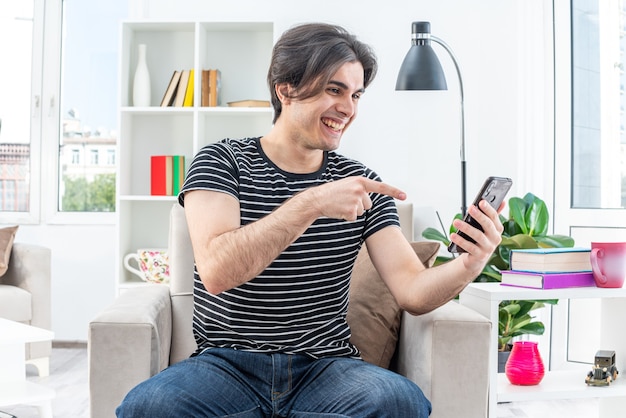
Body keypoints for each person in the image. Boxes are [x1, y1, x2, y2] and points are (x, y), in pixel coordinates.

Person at [116, 22, 503, 418]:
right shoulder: (221, 161)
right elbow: (217, 271)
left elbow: (412, 290)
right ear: (286, 88)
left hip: (326, 369)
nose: (349, 109)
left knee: (401, 401)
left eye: (355, 95)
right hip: (225, 366)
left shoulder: (360, 184)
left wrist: (470, 263)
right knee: (147, 406)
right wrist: (312, 202)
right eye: (334, 90)